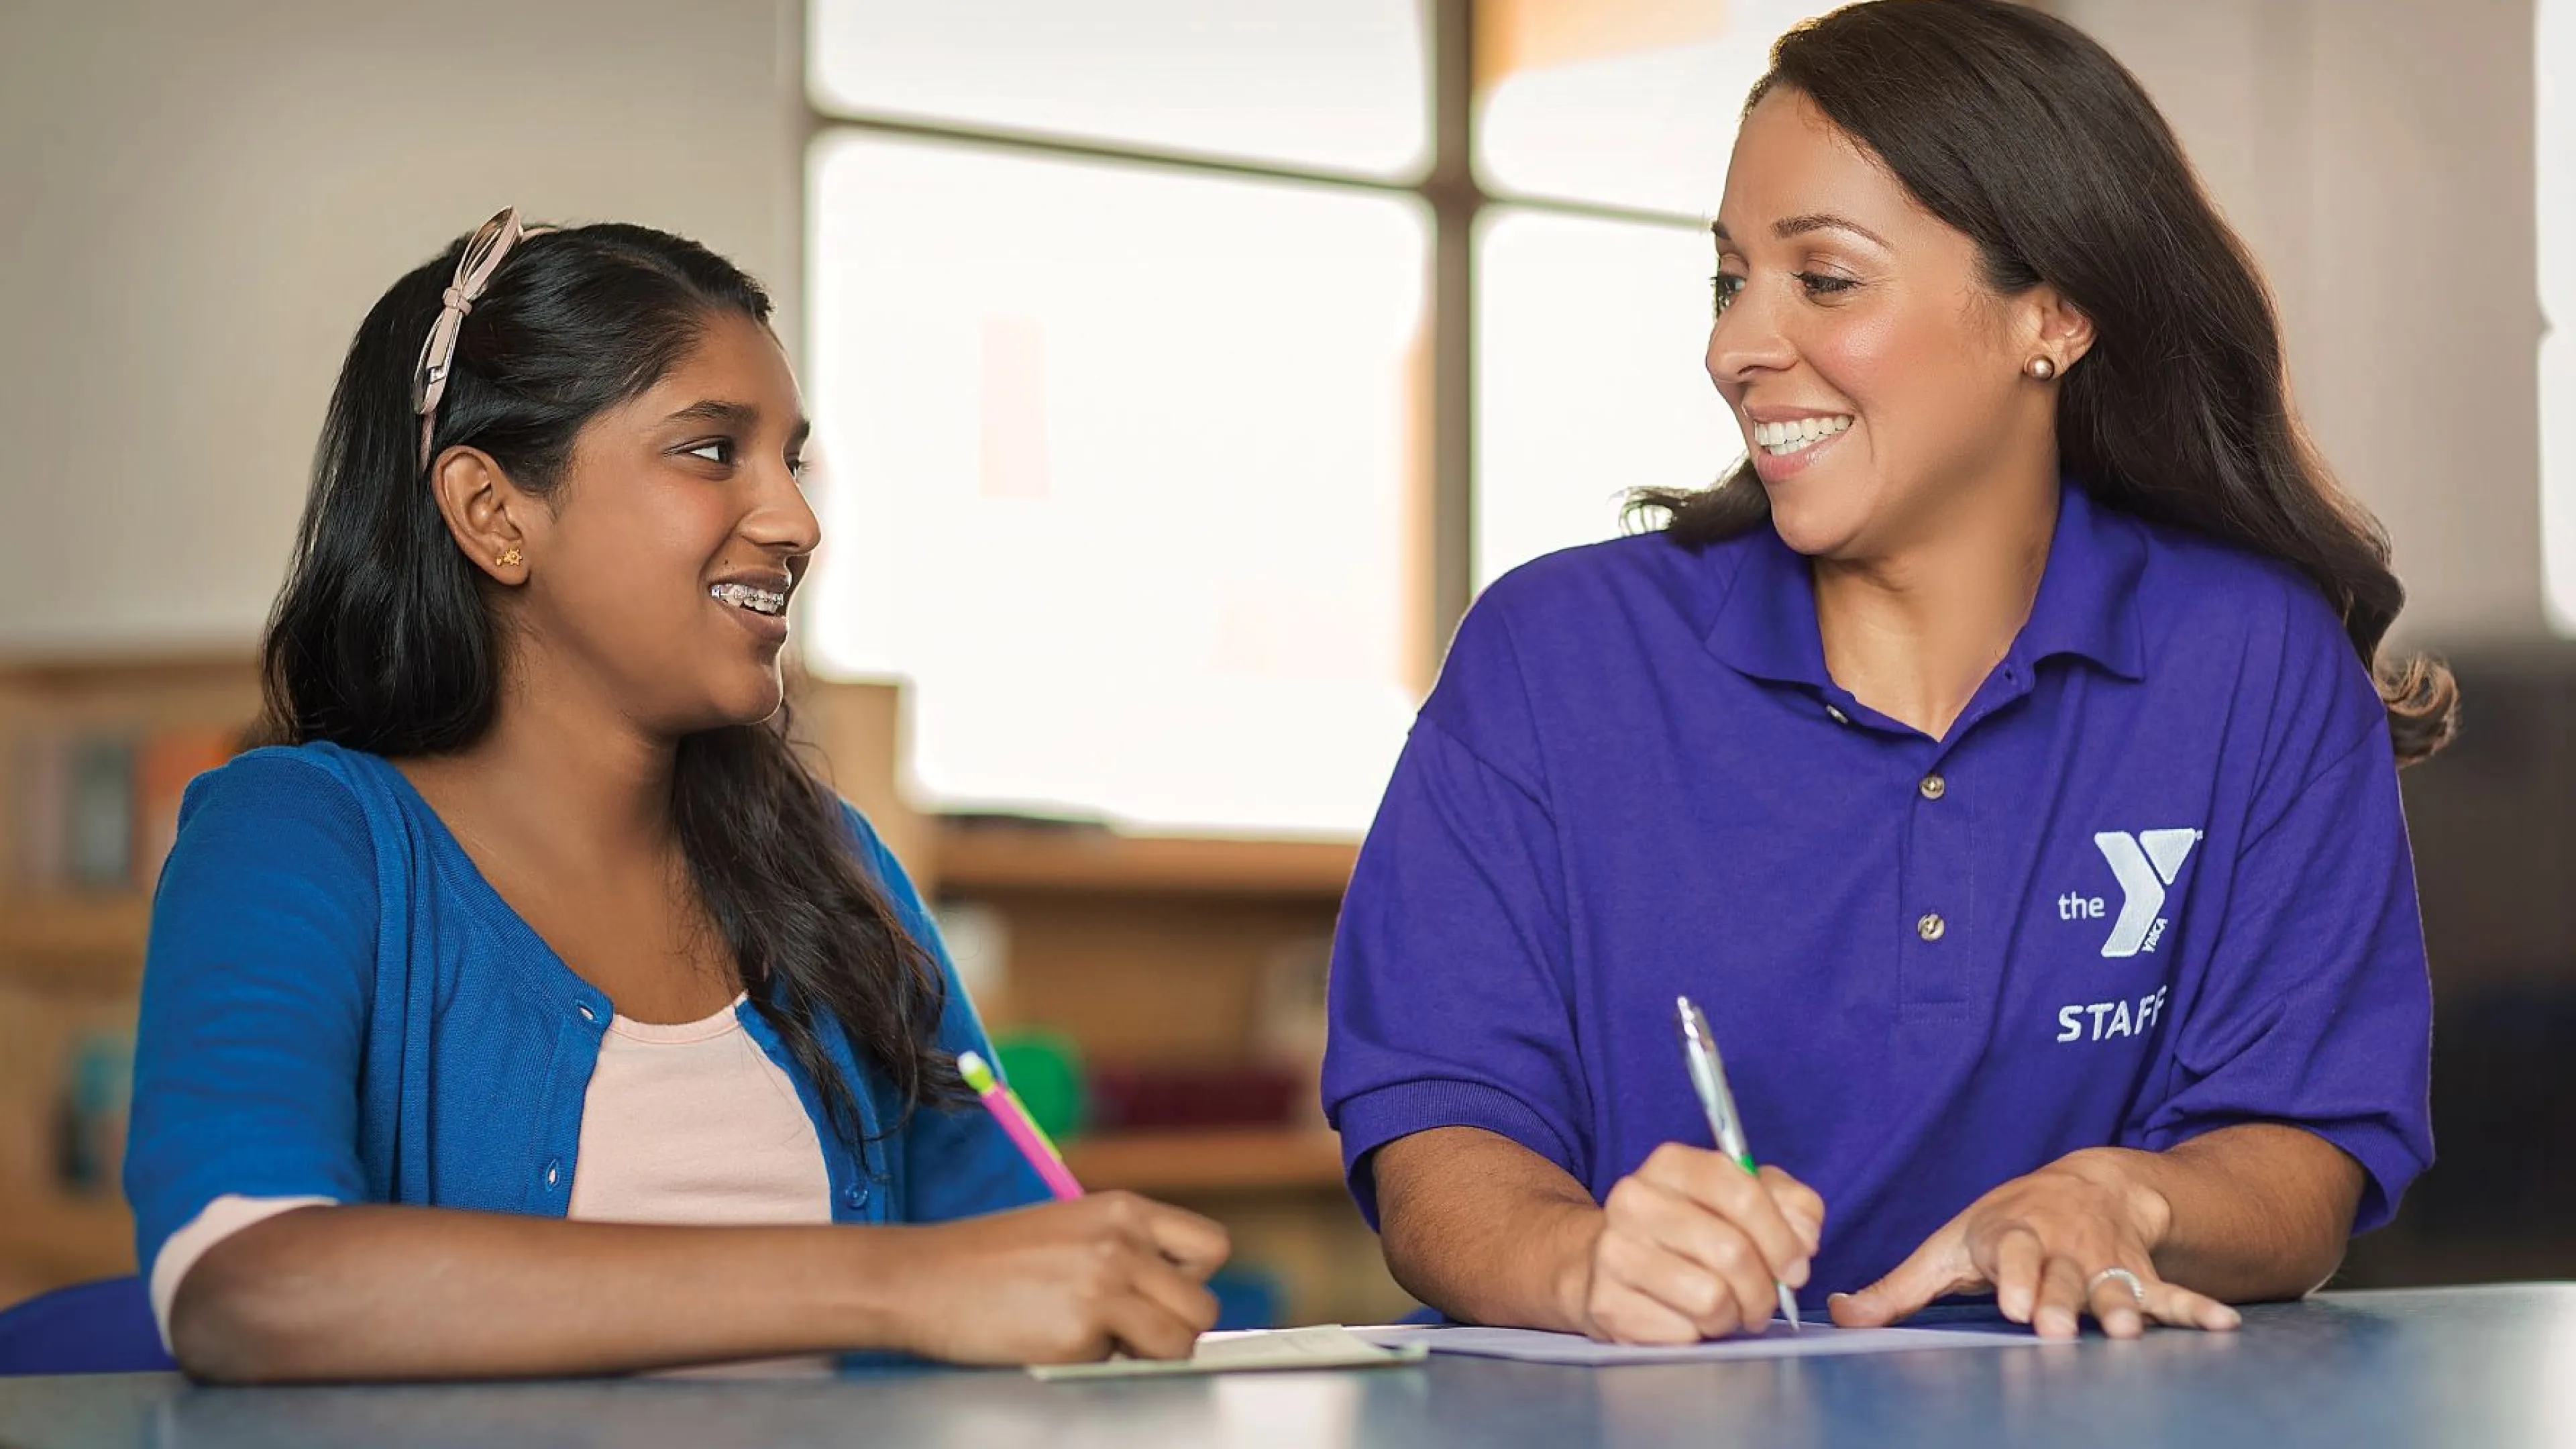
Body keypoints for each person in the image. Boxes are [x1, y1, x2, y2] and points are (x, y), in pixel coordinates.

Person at [1323, 0, 2456, 1346]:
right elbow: (1437, 1129)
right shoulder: (1549, 655)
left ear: (2055, 312)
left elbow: (2306, 1149)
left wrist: (2128, 1198)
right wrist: (1575, 1263)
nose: (1734, 348)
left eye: (1827, 278)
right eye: (1730, 280)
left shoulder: (2256, 660)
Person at [125, 210, 1227, 1382]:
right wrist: (894, 1284)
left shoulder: (831, 864)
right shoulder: (300, 837)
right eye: (710, 450)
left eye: (791, 461)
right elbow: (244, 1283)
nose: (797, 522)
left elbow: (1008, 1259)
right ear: (492, 513)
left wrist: (1103, 1288)